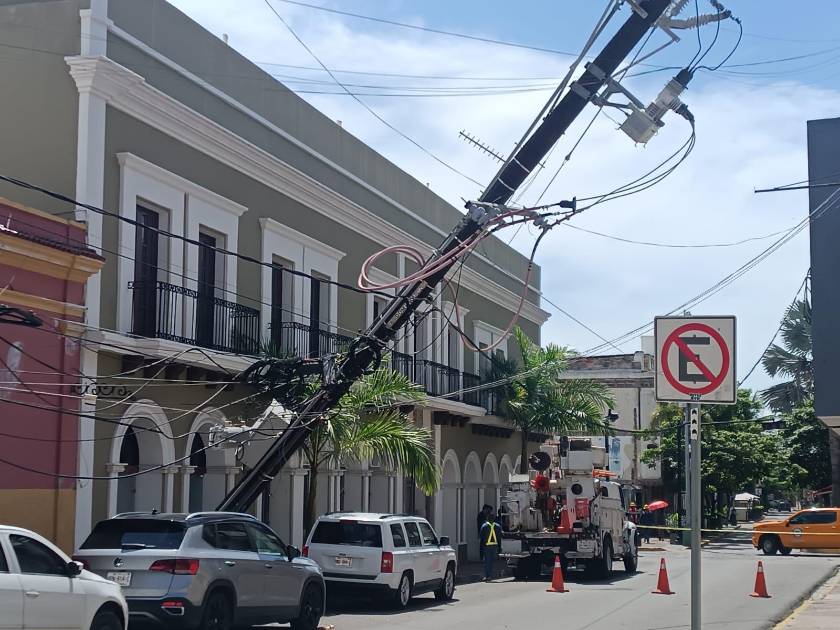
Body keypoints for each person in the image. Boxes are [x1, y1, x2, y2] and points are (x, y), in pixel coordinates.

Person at [479, 510, 501, 582]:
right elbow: (499, 537)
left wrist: (481, 549)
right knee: (491, 561)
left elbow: (481, 538)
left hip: (487, 546)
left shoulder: (484, 526)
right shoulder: (497, 526)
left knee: (487, 561)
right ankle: (490, 575)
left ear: (487, 518)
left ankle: (487, 575)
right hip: (494, 546)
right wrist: (499, 547)